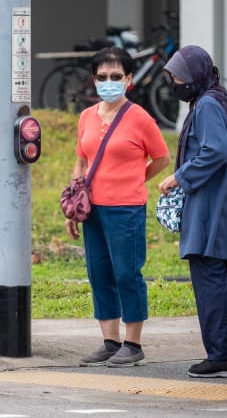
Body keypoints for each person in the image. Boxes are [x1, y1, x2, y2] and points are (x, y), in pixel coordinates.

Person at [66, 47, 170, 367]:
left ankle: (133, 343)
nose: (108, 82)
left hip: (126, 208)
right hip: (92, 208)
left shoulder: (140, 118)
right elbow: (81, 160)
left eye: (115, 77)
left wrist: (136, 178)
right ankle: (110, 340)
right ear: (94, 80)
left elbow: (162, 158)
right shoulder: (86, 116)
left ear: (128, 80)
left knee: (127, 273)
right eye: (102, 77)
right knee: (99, 274)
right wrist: (73, 201)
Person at [158, 45, 227, 378]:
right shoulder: (216, 99)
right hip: (216, 199)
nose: (175, 83)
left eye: (179, 76)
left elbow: (215, 151)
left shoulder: (208, 104)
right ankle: (226, 354)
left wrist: (178, 176)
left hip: (210, 203)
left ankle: (224, 356)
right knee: (215, 277)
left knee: (210, 277)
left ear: (196, 75)